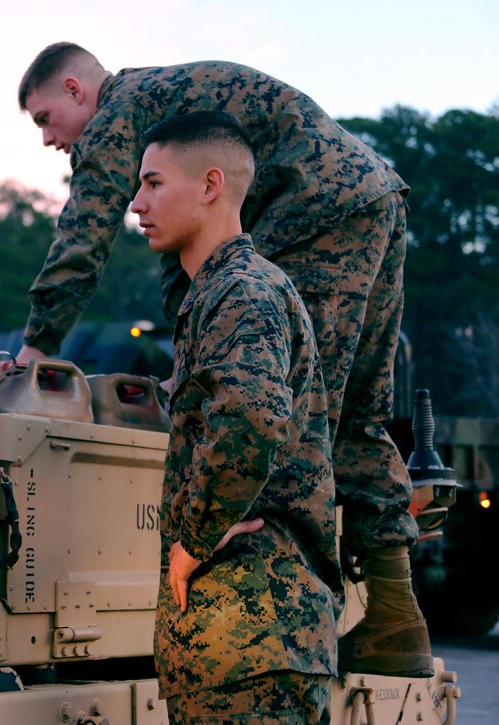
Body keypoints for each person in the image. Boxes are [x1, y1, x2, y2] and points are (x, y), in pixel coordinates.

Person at [15, 42, 431, 677]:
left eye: (45, 118)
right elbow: (189, 268)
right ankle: (397, 620)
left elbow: (84, 235)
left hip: (311, 212)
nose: (48, 139)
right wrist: (188, 357)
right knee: (354, 413)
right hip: (373, 198)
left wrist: (36, 346)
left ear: (76, 90)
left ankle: (279, 624)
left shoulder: (117, 114)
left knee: (287, 410)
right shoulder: (165, 102)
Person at [136, 110, 340, 722]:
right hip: (248, 642)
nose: (137, 203)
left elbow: (252, 414)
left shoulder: (242, 290)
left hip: (250, 638)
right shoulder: (220, 292)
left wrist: (192, 541)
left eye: (153, 182)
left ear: (210, 185)